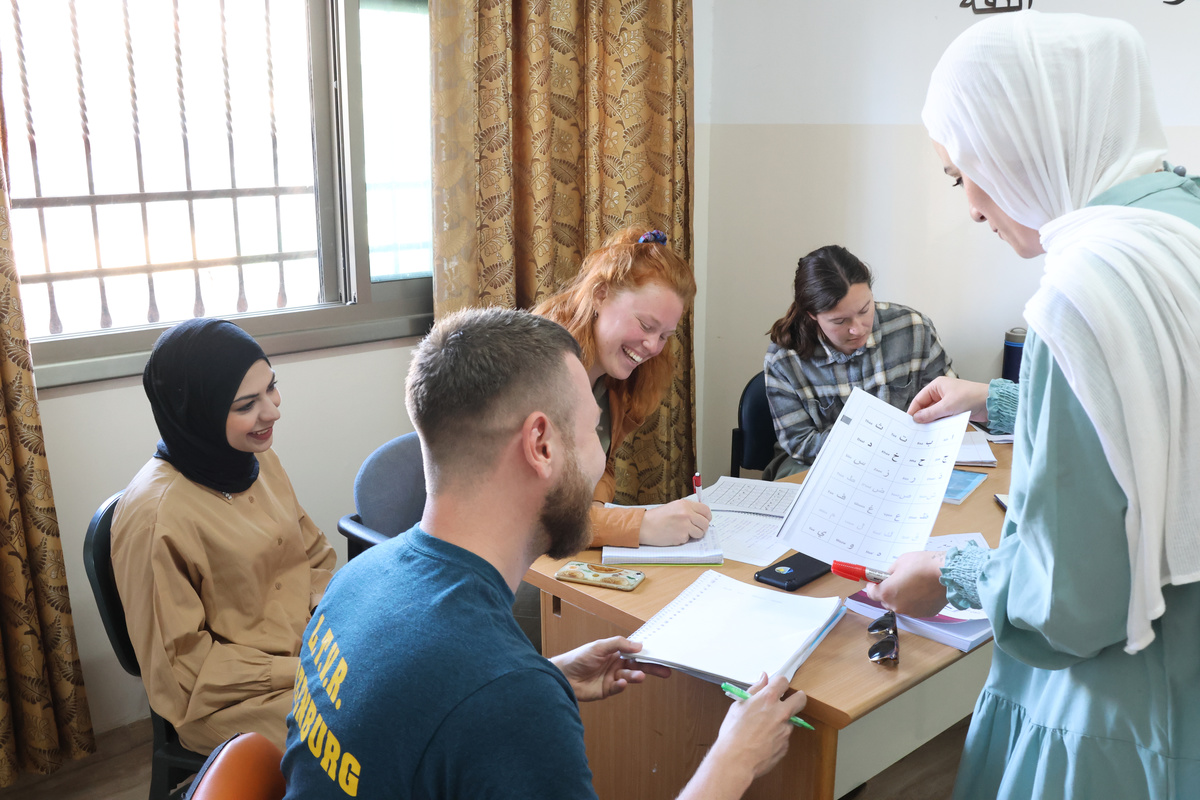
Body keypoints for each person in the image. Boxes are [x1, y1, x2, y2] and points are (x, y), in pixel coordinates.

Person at [866, 12, 1200, 799]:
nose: (973, 208)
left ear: (1020, 146)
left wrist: (951, 571)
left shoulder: (1085, 292)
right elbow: (1156, 405)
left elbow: (1066, 605)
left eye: (963, 174)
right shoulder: (1177, 224)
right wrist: (997, 399)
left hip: (1122, 711)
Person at [279, 307, 809, 799]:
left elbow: (412, 719)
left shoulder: (357, 579)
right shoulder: (507, 697)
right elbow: (481, 697)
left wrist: (546, 675)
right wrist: (735, 759)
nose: (600, 459)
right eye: (591, 431)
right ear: (541, 445)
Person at [111, 318, 336, 752]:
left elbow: (313, 555)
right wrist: (302, 670)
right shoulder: (156, 517)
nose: (273, 411)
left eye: (271, 387)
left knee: (408, 688)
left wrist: (331, 626)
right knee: (369, 737)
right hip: (226, 700)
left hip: (305, 655)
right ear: (198, 412)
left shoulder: (253, 458)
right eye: (247, 404)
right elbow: (184, 669)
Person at [534, 227, 710, 547]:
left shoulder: (617, 381)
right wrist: (638, 526)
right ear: (601, 295)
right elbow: (530, 515)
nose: (653, 346)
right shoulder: (539, 368)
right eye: (645, 325)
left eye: (664, 336)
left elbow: (602, 465)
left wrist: (594, 512)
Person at [762, 245, 956, 479]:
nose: (857, 329)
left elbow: (948, 405)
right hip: (820, 463)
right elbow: (801, 444)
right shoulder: (784, 360)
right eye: (840, 321)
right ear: (812, 314)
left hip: (906, 458)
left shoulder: (914, 329)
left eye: (864, 310)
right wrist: (877, 443)